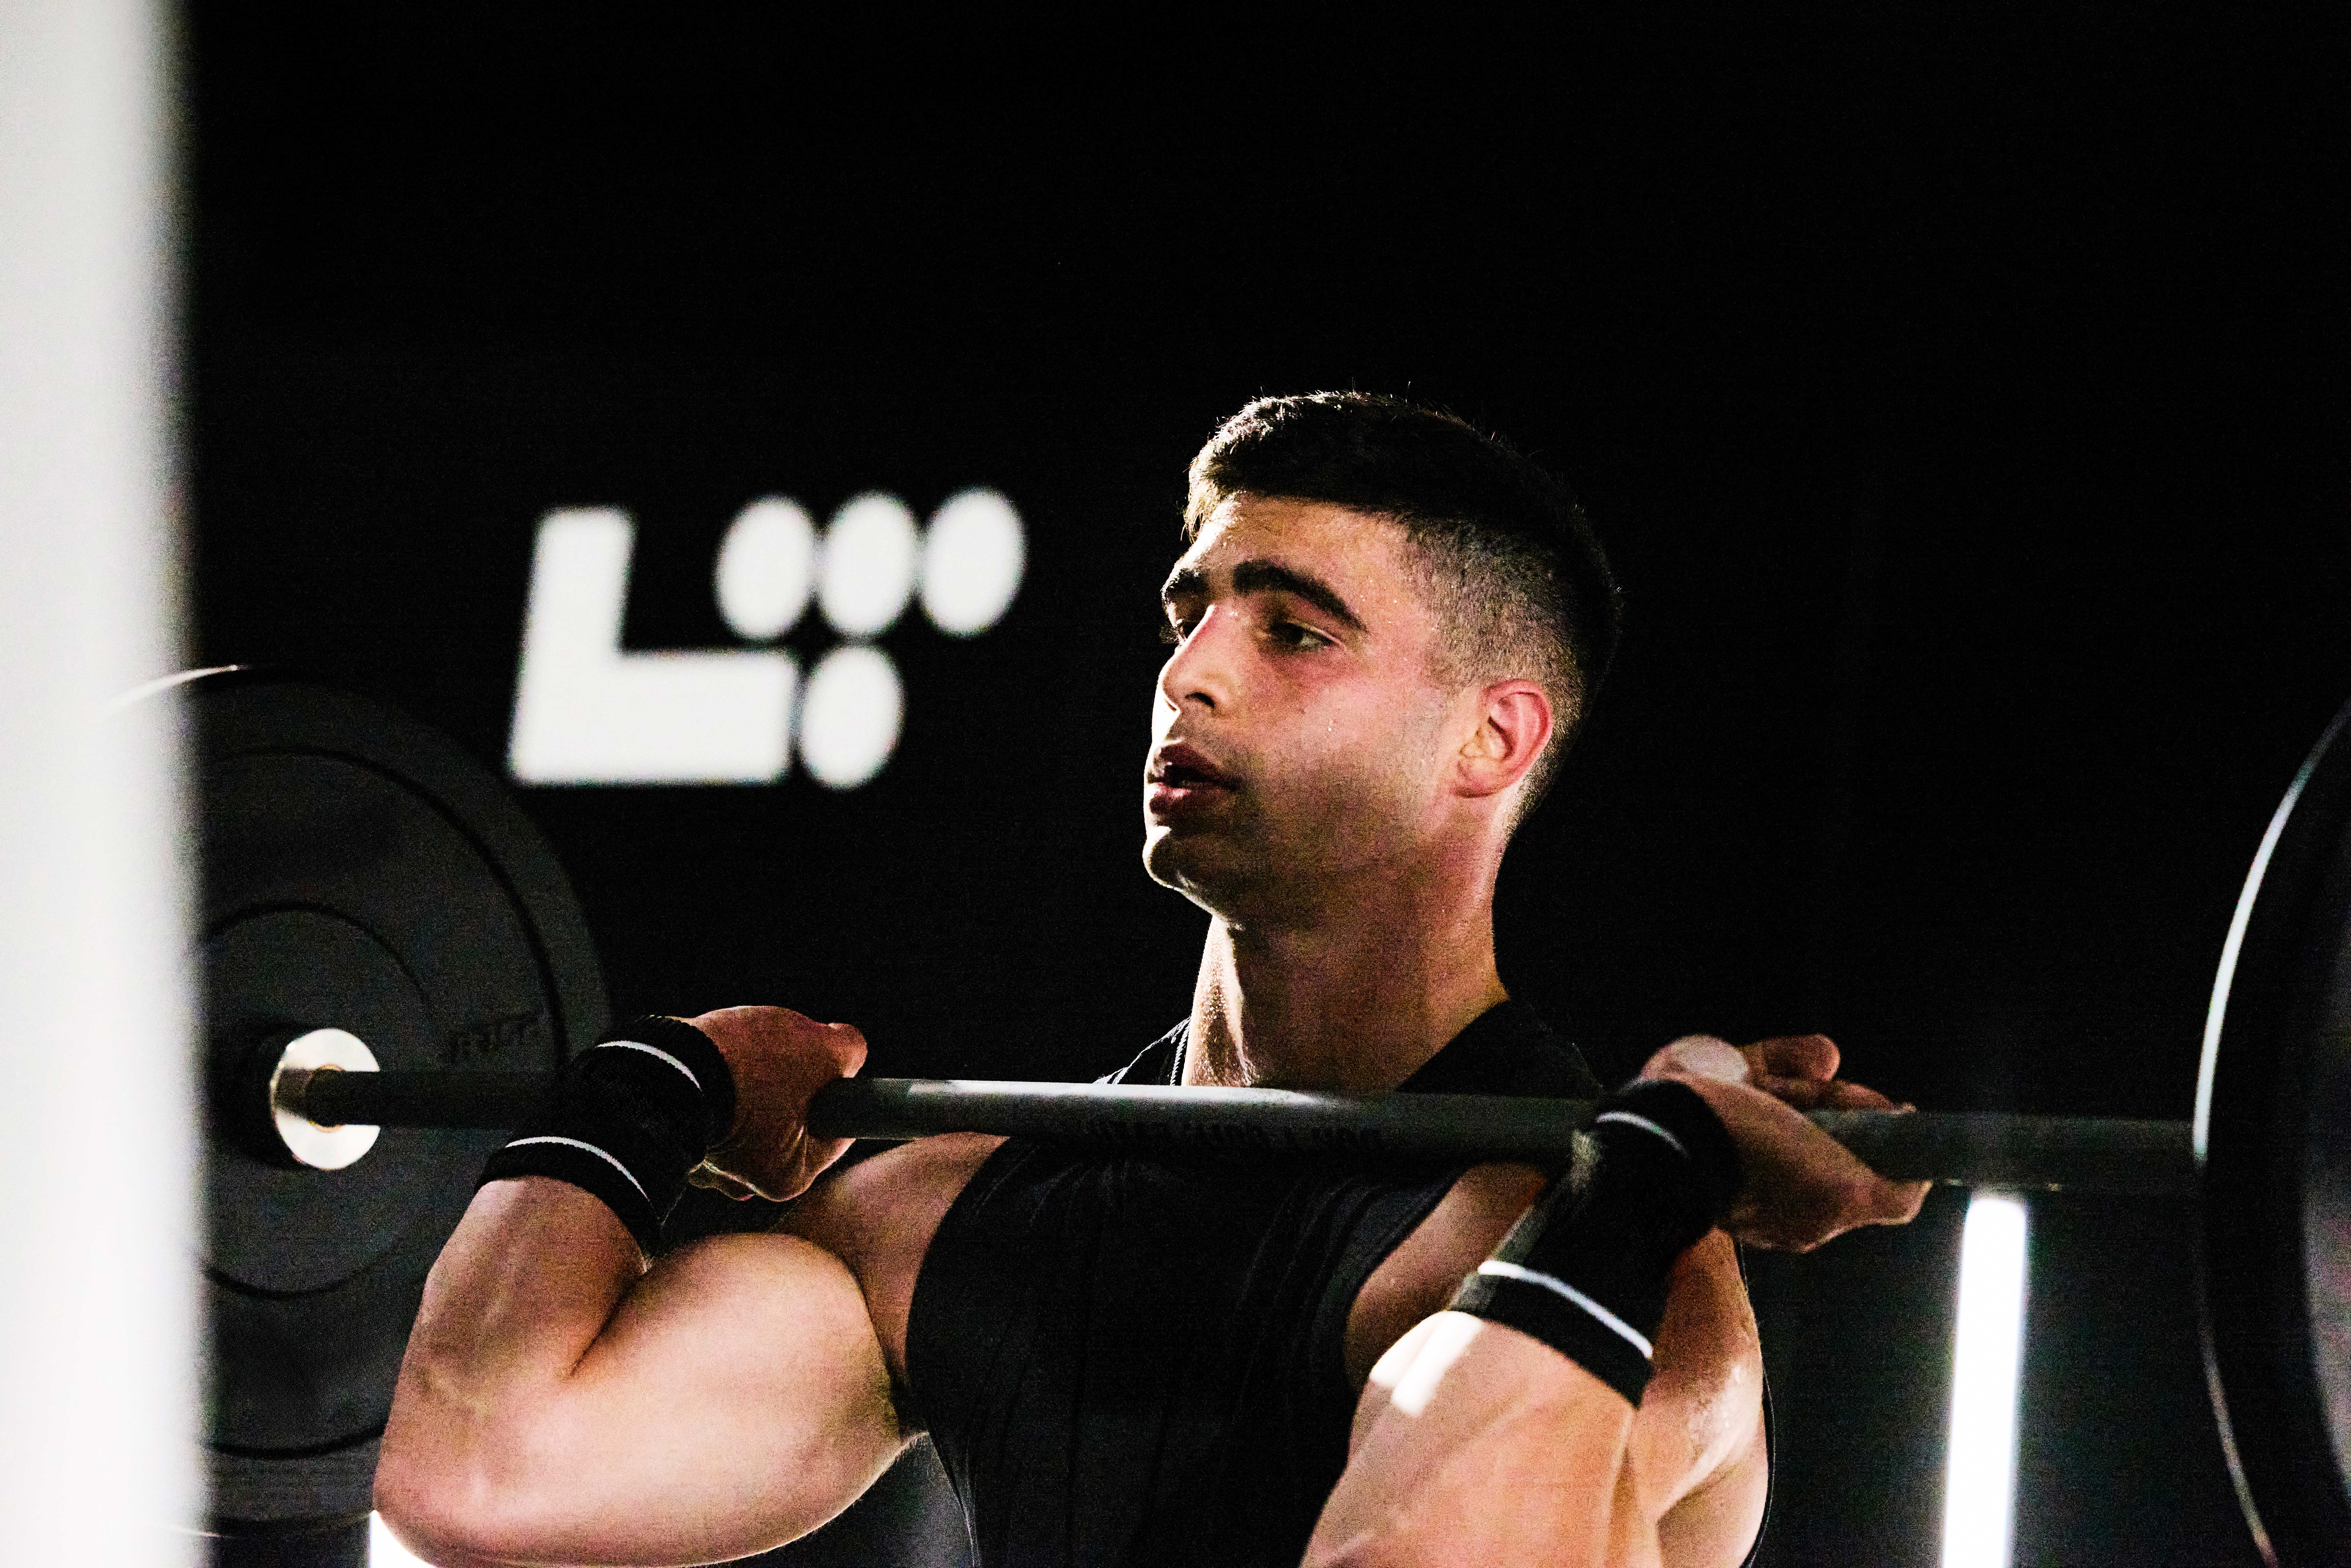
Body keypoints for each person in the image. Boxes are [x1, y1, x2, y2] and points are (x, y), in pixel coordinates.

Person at [376, 393, 1926, 1567]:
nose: (1192, 671)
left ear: (1492, 738)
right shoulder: (947, 1216)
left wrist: (1638, 1182)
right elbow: (479, 1466)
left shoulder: (1626, 1277)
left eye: (1297, 630)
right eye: (1194, 609)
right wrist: (662, 1086)